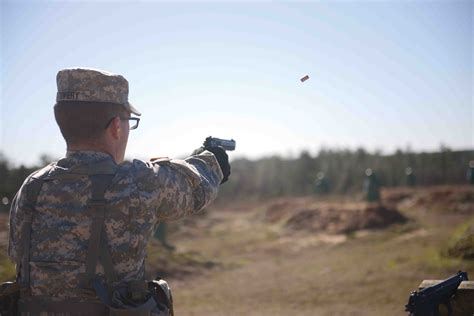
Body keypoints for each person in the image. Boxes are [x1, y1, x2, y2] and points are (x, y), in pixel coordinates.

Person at [5, 68, 230, 315]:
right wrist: (213, 159)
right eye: (128, 122)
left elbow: (18, 257)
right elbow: (196, 190)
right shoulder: (136, 181)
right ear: (116, 127)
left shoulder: (31, 187)